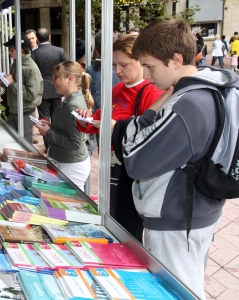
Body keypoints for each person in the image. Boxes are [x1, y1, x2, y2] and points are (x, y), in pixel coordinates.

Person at [111, 18, 233, 299]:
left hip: (177, 219)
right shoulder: (208, 87)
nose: (148, 75)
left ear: (176, 59)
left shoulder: (187, 104)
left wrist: (132, 126)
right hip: (196, 210)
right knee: (188, 284)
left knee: (176, 291)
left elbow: (136, 160)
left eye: (151, 66)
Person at [76, 34, 163, 242]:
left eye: (123, 64)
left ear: (140, 61)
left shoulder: (150, 93)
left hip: (129, 174)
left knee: (126, 229)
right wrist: (84, 117)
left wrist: (117, 128)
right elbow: (99, 120)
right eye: (114, 64)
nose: (117, 71)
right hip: (109, 169)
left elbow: (148, 138)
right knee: (109, 219)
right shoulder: (117, 89)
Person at [34, 61, 92, 191]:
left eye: (56, 77)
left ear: (70, 78)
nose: (52, 82)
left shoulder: (73, 105)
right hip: (68, 163)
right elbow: (68, 129)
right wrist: (51, 126)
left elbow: (75, 143)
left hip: (72, 165)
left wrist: (48, 133)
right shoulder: (70, 100)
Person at [0, 35, 43, 143]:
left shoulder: (31, 68)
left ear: (21, 49)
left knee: (25, 146)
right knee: (12, 143)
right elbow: (14, 85)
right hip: (13, 111)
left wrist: (12, 83)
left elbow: (31, 95)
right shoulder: (16, 64)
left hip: (25, 113)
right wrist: (5, 81)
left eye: (12, 50)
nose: (10, 53)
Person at [31, 28, 67, 151]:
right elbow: (66, 69)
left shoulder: (35, 54)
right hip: (57, 88)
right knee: (57, 116)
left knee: (44, 118)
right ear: (49, 37)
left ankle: (48, 146)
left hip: (42, 90)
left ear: (37, 39)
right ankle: (57, 143)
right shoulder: (59, 51)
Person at [85, 31, 120, 111]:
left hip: (100, 114)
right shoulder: (125, 68)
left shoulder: (90, 71)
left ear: (96, 51)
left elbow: (89, 94)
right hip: (121, 113)